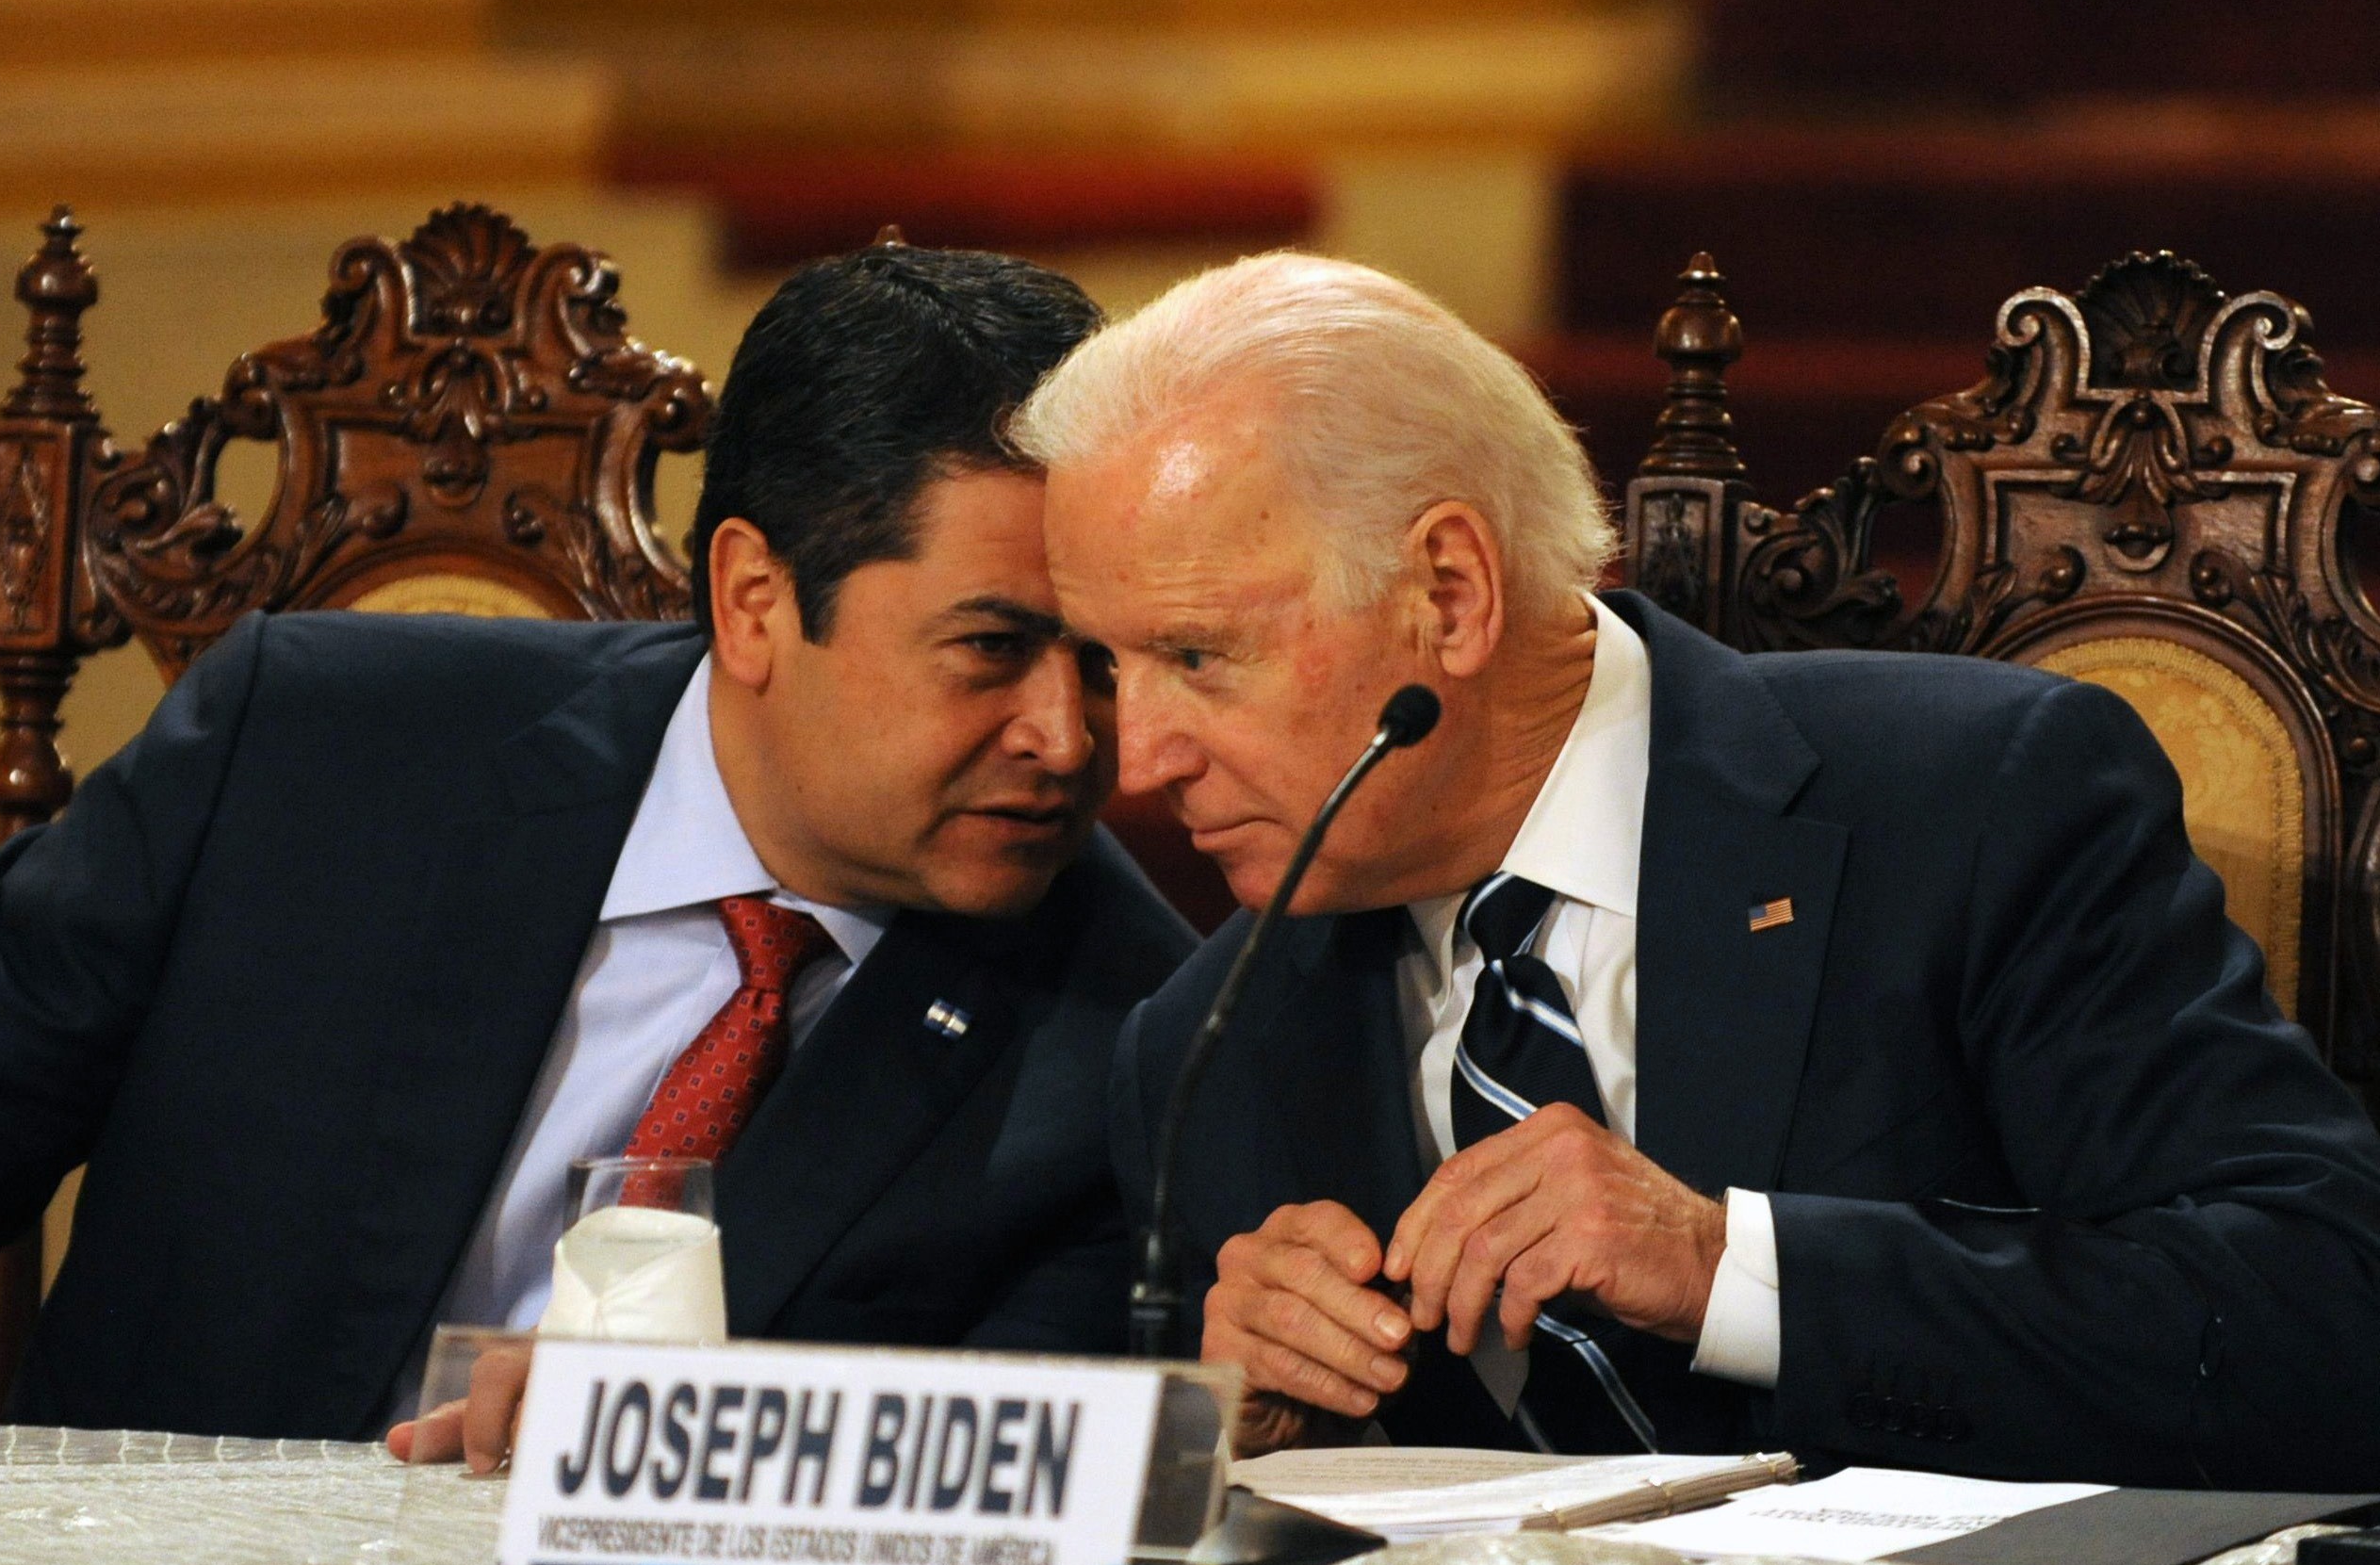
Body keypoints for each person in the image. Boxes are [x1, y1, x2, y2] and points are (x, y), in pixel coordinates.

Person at [0, 244, 1195, 1450]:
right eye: (992, 650)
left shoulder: (1134, 1029)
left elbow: (1005, 1509)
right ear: (754, 597)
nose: (1068, 740)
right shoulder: (307, 759)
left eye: (1109, 660)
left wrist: (660, 1442)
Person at [1017, 251, 2380, 1490]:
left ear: (1447, 592)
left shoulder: (1969, 806)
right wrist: (1239, 1425)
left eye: (1196, 657)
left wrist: (1727, 1264)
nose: (1133, 759)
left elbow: (2321, 1318)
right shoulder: (1203, 1046)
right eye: (1105, 662)